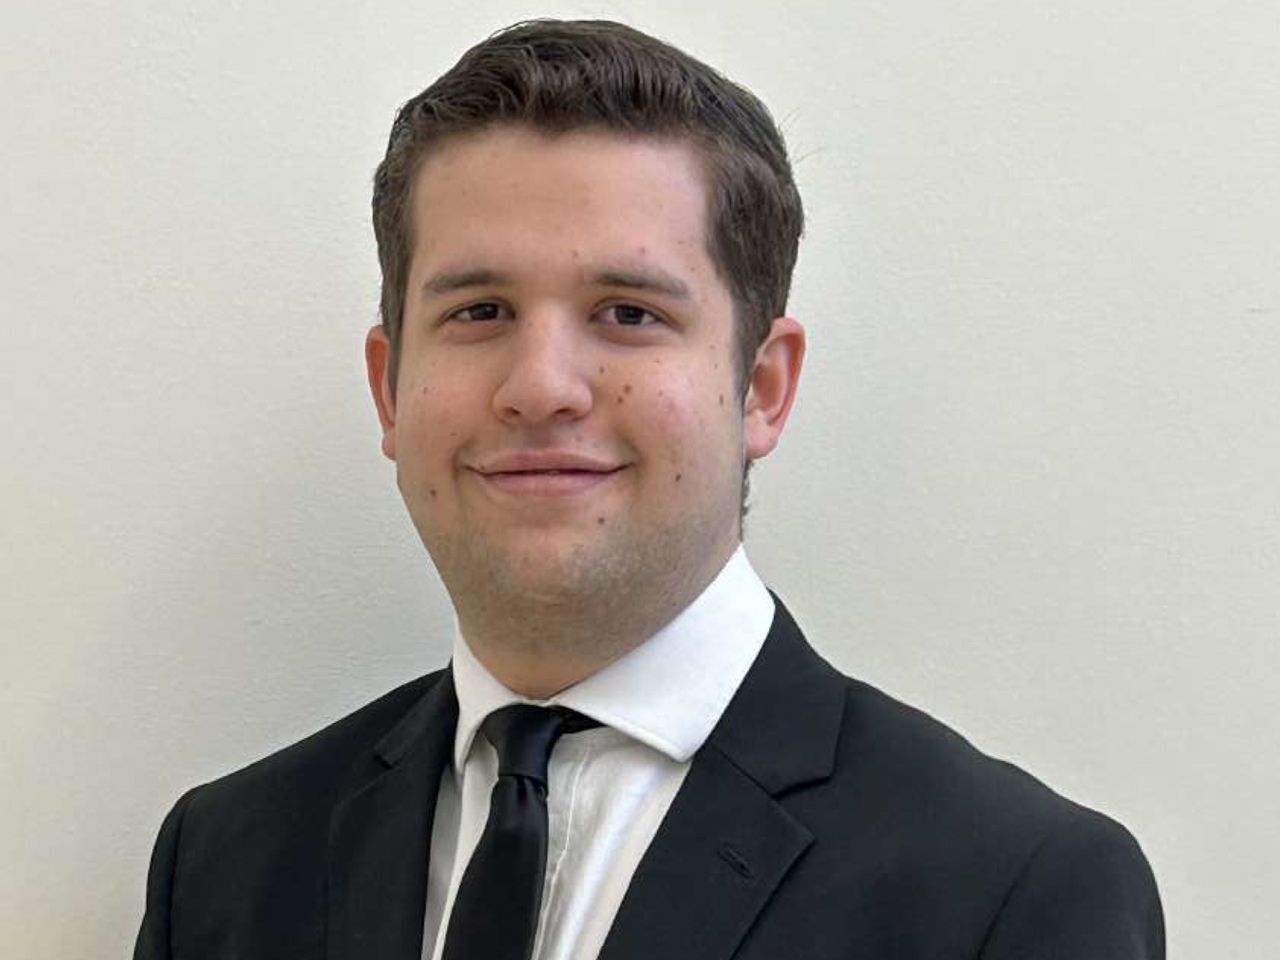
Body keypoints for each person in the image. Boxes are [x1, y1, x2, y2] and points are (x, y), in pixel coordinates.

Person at [134, 18, 1164, 960]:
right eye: (480, 309)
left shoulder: (1009, 890)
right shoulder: (222, 861)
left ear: (759, 388)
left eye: (627, 313)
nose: (541, 386)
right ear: (389, 389)